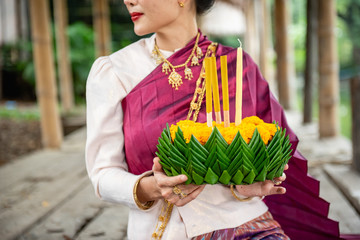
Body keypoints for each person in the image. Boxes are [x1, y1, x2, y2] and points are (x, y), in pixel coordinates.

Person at [85, 0, 341, 239]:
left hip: (246, 225)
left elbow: (267, 151)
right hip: (164, 231)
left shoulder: (236, 67)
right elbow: (102, 174)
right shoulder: (114, 72)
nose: (128, 0)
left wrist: (251, 183)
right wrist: (152, 187)